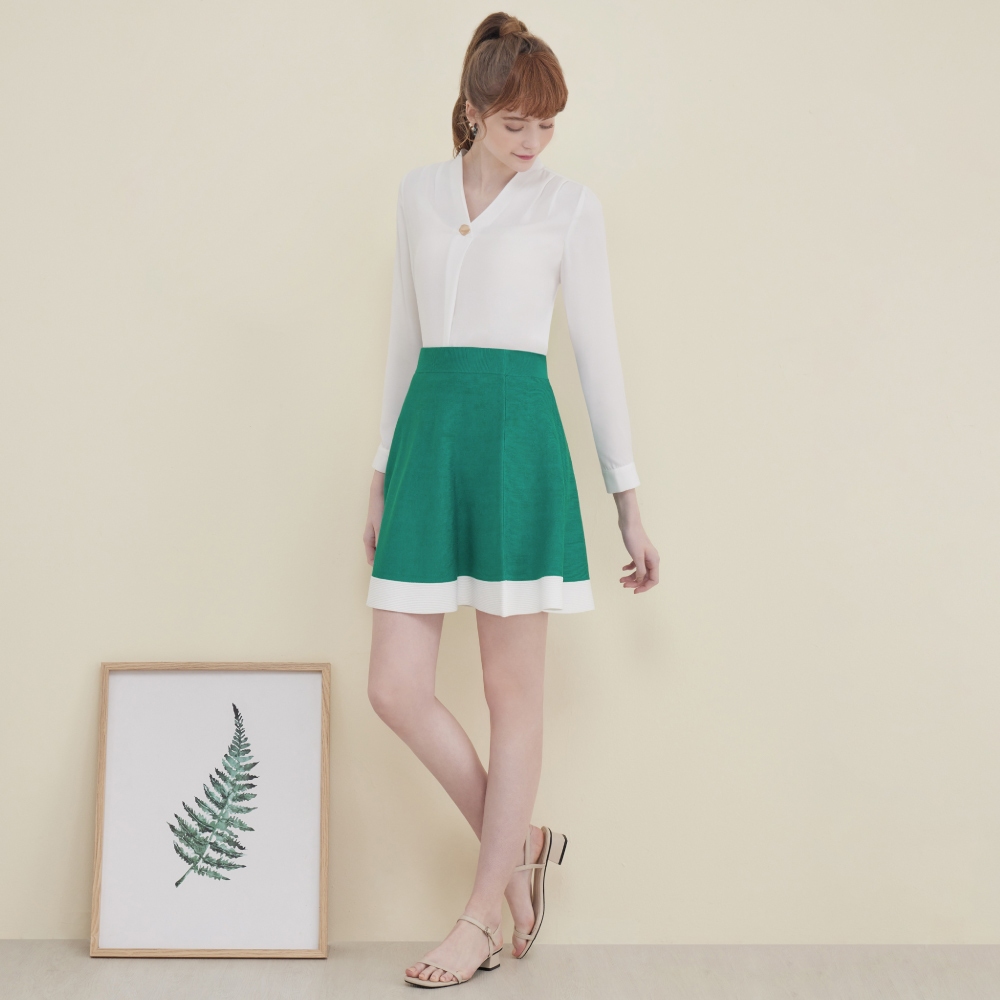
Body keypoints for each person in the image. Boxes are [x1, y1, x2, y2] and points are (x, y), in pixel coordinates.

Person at [363, 11, 659, 988]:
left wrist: (626, 497)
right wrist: (380, 472)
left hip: (518, 445)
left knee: (511, 694)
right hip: (429, 439)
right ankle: (520, 840)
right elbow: (403, 340)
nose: (533, 143)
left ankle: (481, 916)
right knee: (394, 686)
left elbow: (599, 353)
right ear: (473, 110)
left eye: (546, 125)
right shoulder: (417, 193)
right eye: (514, 125)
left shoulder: (568, 206)